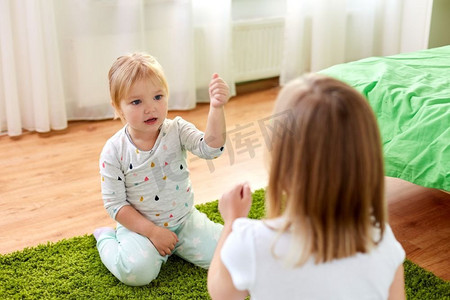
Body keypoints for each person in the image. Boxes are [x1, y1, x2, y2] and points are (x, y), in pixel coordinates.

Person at [208, 73, 406, 299]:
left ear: (282, 165)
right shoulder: (382, 240)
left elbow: (221, 293)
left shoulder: (252, 242)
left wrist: (232, 222)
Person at [95, 52, 229, 286]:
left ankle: (179, 244)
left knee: (228, 255)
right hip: (140, 229)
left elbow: (211, 149)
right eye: (137, 102)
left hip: (185, 221)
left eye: (158, 97)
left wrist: (216, 108)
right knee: (136, 273)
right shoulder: (113, 151)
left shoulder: (177, 129)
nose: (151, 108)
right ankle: (105, 238)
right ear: (118, 107)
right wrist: (153, 233)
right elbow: (115, 204)